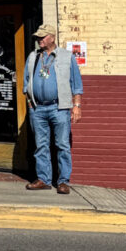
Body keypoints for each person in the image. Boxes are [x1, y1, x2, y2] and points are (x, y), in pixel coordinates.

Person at [23, 23, 83, 194]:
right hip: (38, 109)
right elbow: (26, 81)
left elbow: (76, 84)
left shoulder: (66, 56)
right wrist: (30, 102)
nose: (39, 40)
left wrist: (76, 106)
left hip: (59, 107)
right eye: (38, 38)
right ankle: (43, 179)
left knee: (62, 145)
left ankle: (63, 181)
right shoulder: (34, 56)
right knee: (41, 145)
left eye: (42, 37)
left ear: (52, 37)